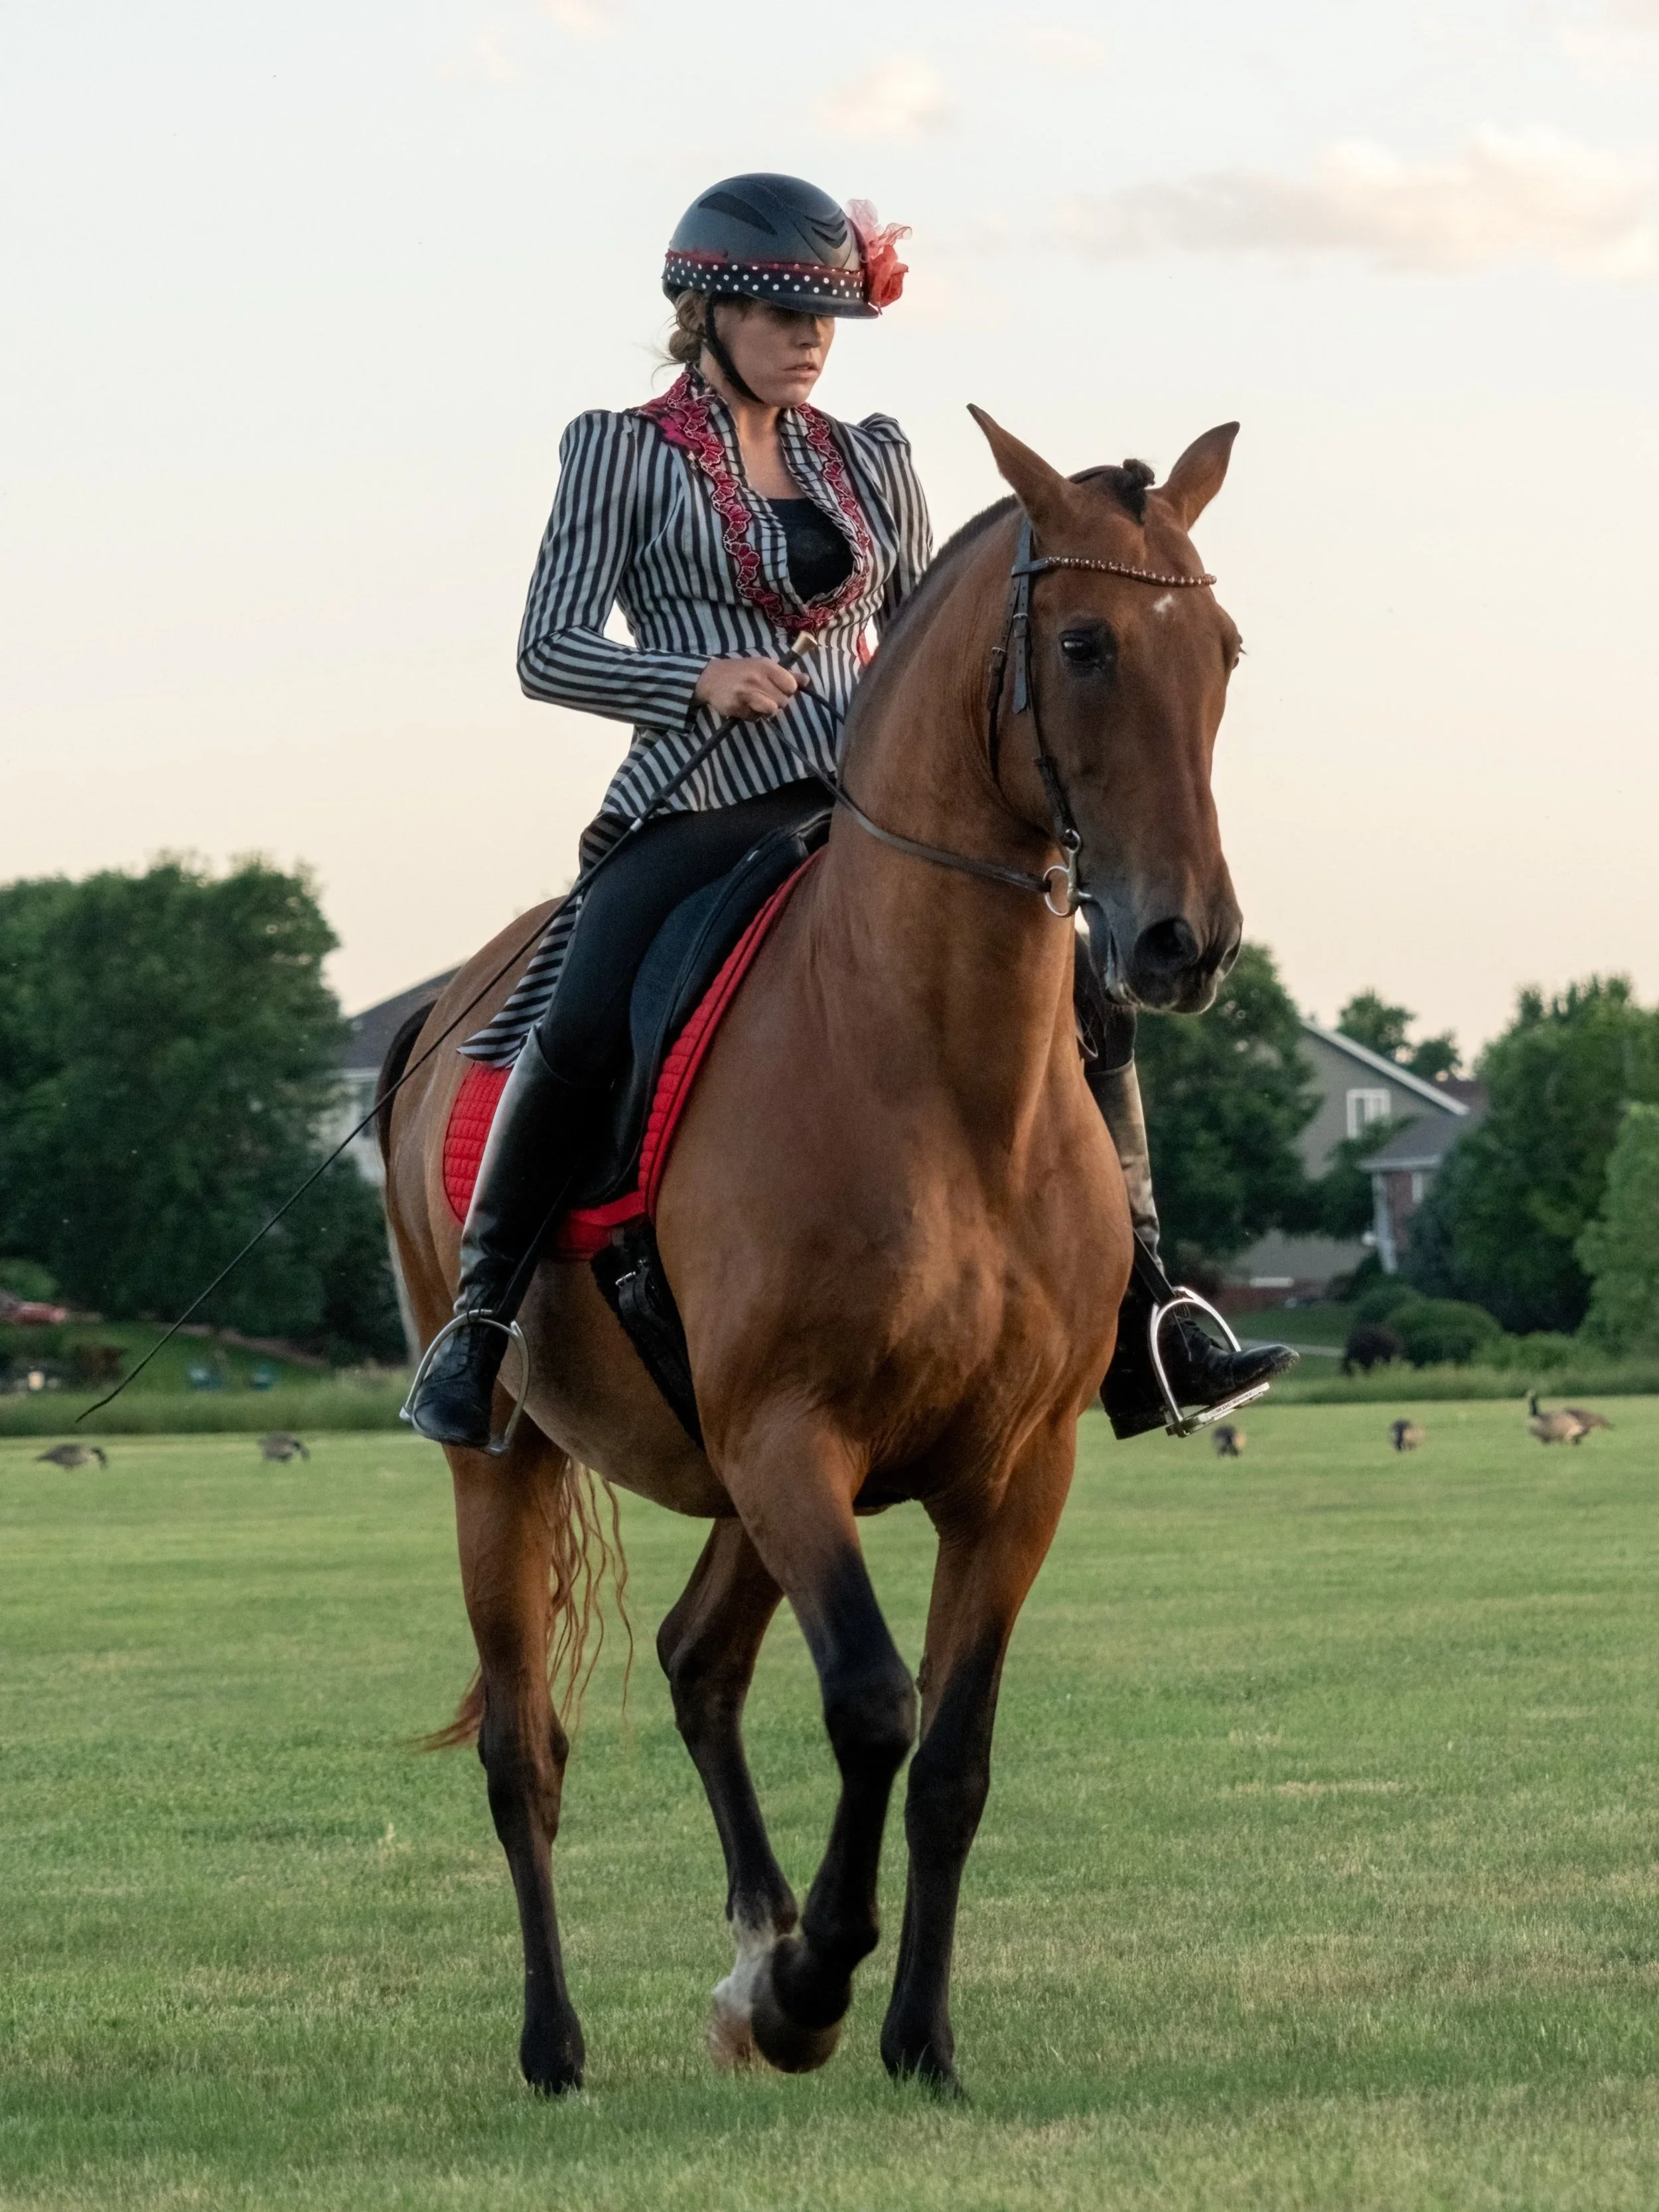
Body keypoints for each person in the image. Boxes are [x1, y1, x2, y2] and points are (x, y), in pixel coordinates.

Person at [407, 172, 1293, 1450]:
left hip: (875, 807)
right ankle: (484, 1315)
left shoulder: (868, 456)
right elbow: (548, 650)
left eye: (825, 317)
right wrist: (695, 677)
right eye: (782, 314)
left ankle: (1152, 1311)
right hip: (701, 801)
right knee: (589, 1007)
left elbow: (927, 642)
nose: (810, 340)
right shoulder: (620, 451)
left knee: (1086, 1000)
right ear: (707, 313)